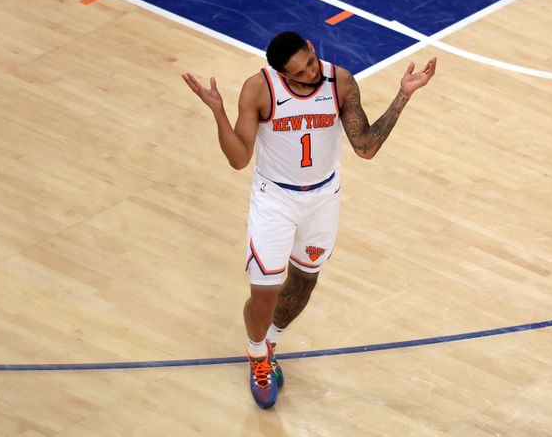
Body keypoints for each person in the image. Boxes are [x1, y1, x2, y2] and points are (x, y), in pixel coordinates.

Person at [182, 31, 436, 409]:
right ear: (282, 74)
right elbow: (238, 159)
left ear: (313, 50)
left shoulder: (340, 81)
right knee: (264, 291)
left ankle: (270, 342)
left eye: (311, 63)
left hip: (322, 198)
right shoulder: (259, 90)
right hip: (275, 199)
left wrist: (403, 95)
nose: (311, 74)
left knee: (304, 282)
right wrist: (218, 111)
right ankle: (257, 355)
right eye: (300, 73)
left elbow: (365, 148)